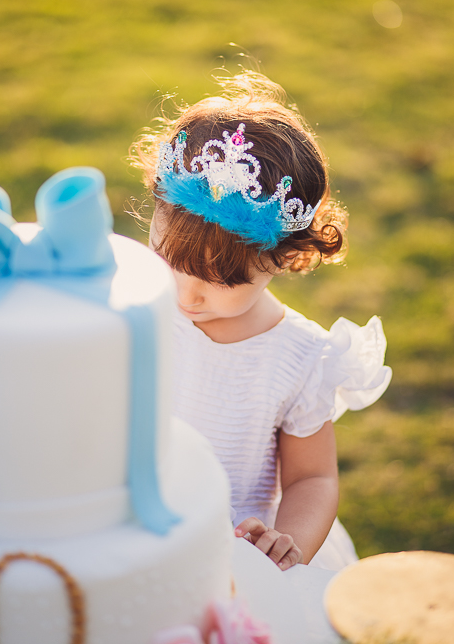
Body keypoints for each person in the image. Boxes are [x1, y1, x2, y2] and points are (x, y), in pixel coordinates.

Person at [130, 70, 391, 573]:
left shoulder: (302, 358)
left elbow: (311, 479)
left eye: (220, 279)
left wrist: (283, 542)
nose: (187, 293)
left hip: (230, 550)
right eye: (168, 259)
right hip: (131, 519)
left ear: (285, 260)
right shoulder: (138, 299)